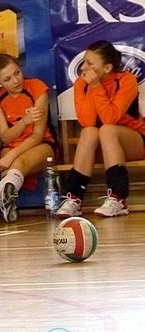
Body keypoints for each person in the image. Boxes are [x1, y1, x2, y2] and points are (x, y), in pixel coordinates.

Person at [56, 40, 145, 218]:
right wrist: (92, 86)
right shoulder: (81, 84)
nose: (83, 68)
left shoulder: (126, 80)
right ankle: (74, 198)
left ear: (107, 68)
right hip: (100, 147)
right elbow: (87, 121)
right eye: (84, 62)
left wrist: (96, 86)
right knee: (89, 131)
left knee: (107, 129)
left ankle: (118, 198)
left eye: (90, 63)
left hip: (133, 142)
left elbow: (110, 118)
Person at [0, 53, 56, 222]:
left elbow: (38, 135)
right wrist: (24, 122)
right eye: (8, 79)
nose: (16, 81)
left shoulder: (36, 87)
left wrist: (11, 156)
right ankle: (7, 207)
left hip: (42, 145)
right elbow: (6, 137)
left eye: (17, 73)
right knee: (5, 161)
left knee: (15, 161)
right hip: (12, 145)